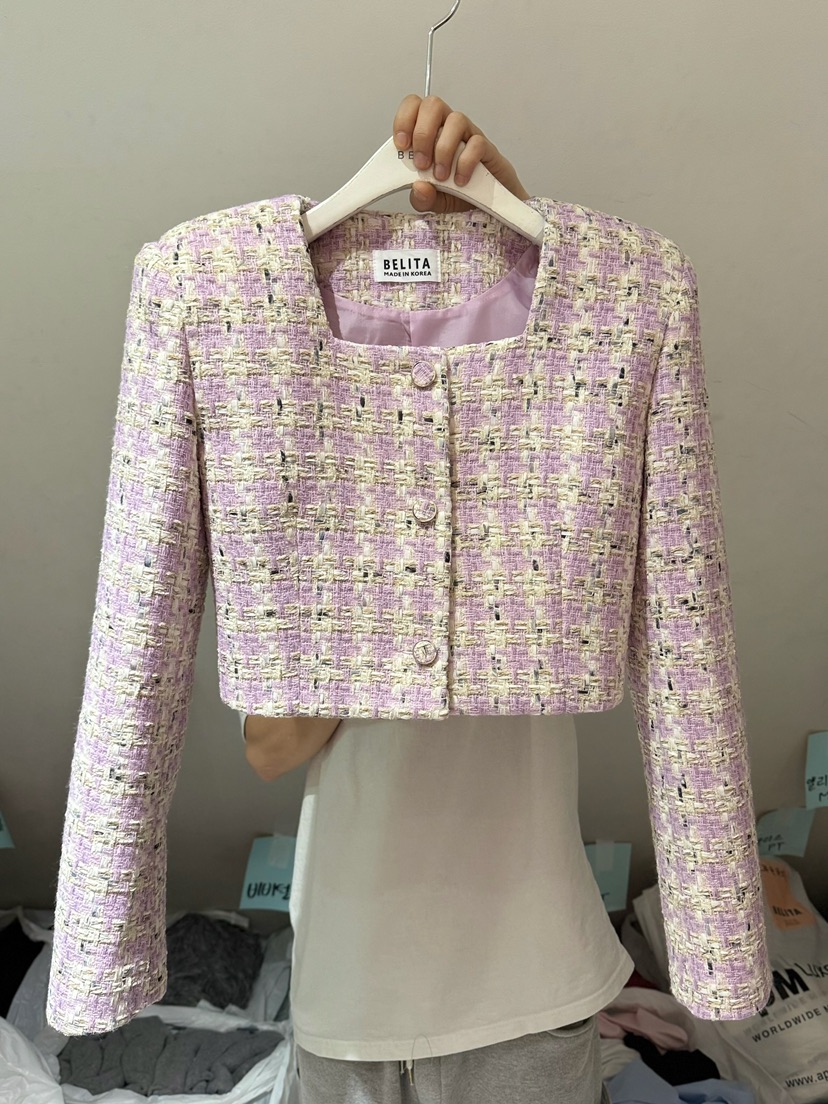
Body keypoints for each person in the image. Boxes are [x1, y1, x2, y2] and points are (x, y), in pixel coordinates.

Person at [242, 94, 615, 1104]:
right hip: (350, 978)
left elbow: (582, 380)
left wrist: (515, 223)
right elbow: (268, 745)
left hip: (531, 966)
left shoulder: (542, 443)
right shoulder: (300, 461)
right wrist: (387, 590)